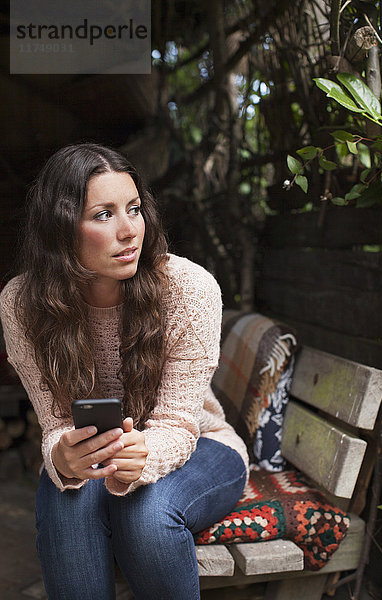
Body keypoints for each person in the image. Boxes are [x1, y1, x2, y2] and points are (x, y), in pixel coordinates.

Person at [0, 143, 249, 600]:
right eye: (103, 215)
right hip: (91, 455)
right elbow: (54, 424)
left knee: (146, 514)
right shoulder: (23, 304)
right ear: (59, 228)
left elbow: (177, 423)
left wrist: (142, 459)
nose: (129, 230)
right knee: (68, 501)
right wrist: (61, 457)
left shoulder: (188, 289)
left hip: (204, 446)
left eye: (134, 209)